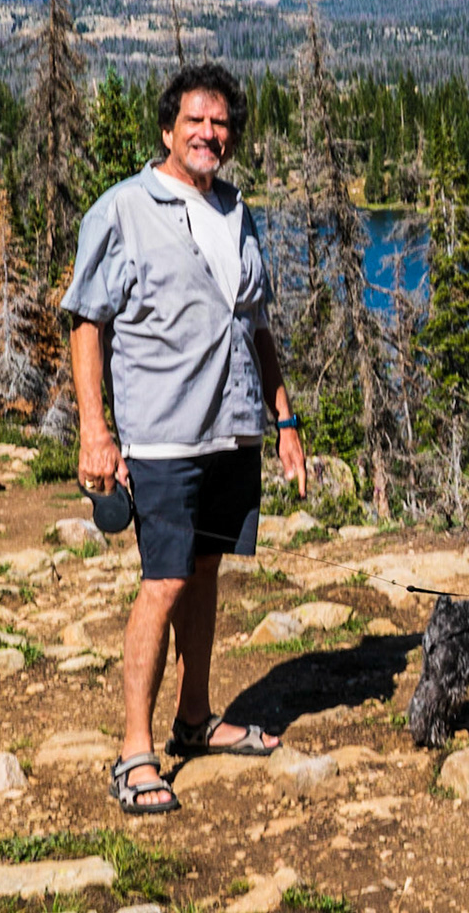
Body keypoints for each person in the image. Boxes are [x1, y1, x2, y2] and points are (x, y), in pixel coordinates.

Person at [63, 61, 307, 815]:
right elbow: (86, 323)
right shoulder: (124, 209)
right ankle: (135, 751)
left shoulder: (236, 211)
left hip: (231, 429)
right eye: (195, 121)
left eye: (221, 123)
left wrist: (285, 418)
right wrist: (96, 432)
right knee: (162, 582)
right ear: (168, 129)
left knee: (205, 573)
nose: (209, 134)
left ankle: (195, 719)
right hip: (162, 435)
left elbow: (256, 323)